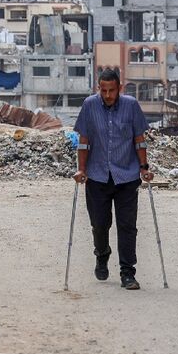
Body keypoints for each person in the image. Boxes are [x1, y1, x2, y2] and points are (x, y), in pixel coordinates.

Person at [73, 68, 154, 290]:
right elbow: (84, 140)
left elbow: (139, 139)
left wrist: (144, 167)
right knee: (99, 224)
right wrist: (81, 169)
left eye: (111, 90)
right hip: (97, 175)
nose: (107, 95)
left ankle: (127, 272)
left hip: (126, 175)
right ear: (98, 88)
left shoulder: (131, 105)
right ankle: (102, 253)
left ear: (119, 88)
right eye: (103, 90)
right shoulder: (90, 105)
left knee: (127, 226)